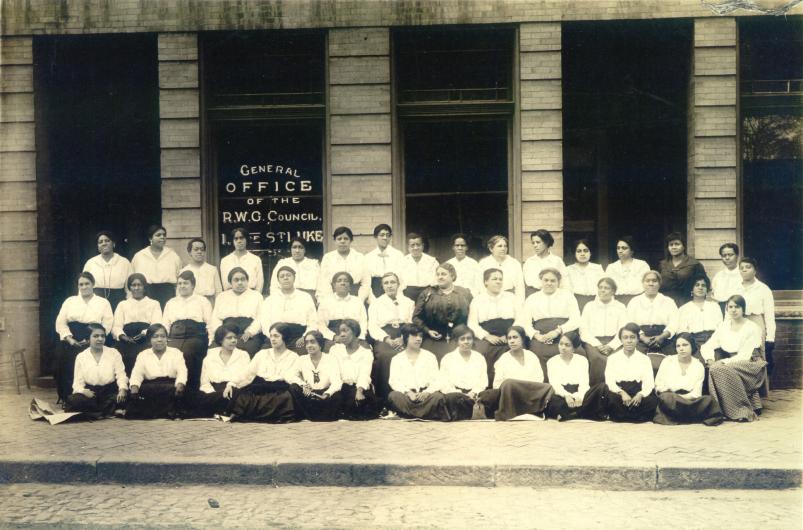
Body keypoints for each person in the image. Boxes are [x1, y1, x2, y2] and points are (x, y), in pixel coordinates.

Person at [701, 295, 767, 421]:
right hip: (732, 362)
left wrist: (723, 362)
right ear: (726, 309)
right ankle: (726, 409)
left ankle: (739, 410)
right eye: (730, 307)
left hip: (751, 363)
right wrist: (710, 359)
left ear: (743, 309)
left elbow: (745, 355)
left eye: (737, 307)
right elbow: (707, 345)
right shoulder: (723, 326)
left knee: (717, 369)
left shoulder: (752, 327)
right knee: (716, 368)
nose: (733, 310)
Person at [54, 272, 114, 402]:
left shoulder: (103, 303)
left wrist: (92, 340)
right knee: (63, 361)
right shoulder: (70, 301)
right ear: (78, 286)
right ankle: (68, 397)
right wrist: (70, 339)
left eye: (87, 283)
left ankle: (91, 396)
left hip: (94, 339)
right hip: (72, 339)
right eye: (81, 284)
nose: (84, 287)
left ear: (93, 284)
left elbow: (107, 324)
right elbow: (60, 322)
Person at [227, 322, 299, 423]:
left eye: (276, 336)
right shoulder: (262, 353)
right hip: (259, 387)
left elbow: (291, 376)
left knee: (285, 398)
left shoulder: (293, 356)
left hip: (279, 389)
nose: (272, 339)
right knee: (243, 396)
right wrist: (232, 383)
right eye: (271, 336)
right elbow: (248, 372)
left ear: (285, 337)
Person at [518, 267, 583, 378]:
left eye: (553, 281)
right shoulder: (532, 298)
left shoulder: (568, 296)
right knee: (537, 354)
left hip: (564, 333)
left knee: (578, 353)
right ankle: (545, 388)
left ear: (558, 282)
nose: (549, 283)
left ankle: (569, 386)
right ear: (541, 281)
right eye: (546, 280)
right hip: (541, 335)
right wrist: (536, 335)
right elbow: (525, 322)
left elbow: (576, 319)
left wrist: (558, 331)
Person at [478, 326, 553, 421]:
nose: (512, 341)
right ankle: (513, 412)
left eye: (515, 337)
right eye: (509, 338)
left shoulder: (531, 356)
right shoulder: (503, 359)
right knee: (508, 383)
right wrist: (517, 387)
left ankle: (535, 411)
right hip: (512, 396)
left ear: (522, 339)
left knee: (548, 387)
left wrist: (523, 387)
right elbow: (497, 385)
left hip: (531, 394)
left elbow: (539, 379)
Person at [653, 333, 724, 426]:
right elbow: (658, 386)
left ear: (692, 346)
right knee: (666, 398)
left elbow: (696, 393)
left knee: (709, 400)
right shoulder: (668, 361)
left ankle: (679, 416)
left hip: (689, 400)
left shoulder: (698, 365)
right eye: (678, 346)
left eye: (685, 345)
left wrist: (681, 399)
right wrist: (672, 394)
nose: (681, 348)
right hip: (671, 397)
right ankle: (689, 416)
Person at [368, 272, 415, 403]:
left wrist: (403, 338)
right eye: (386, 283)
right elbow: (372, 326)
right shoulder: (376, 303)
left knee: (409, 355)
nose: (390, 286)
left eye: (393, 282)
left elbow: (411, 322)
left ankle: (407, 397)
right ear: (382, 286)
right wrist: (387, 339)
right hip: (384, 337)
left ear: (399, 284)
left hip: (405, 334)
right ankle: (385, 399)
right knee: (385, 356)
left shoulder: (408, 302)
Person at [387, 324, 450, 420]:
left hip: (425, 397)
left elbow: (437, 380)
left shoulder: (430, 356)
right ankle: (424, 414)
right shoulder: (397, 359)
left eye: (420, 336)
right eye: (414, 336)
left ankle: (408, 414)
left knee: (438, 397)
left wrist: (426, 392)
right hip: (407, 397)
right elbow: (394, 381)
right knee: (393, 396)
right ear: (405, 337)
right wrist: (408, 393)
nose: (418, 339)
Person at [162, 270, 213, 391]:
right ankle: (172, 394)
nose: (182, 286)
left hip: (195, 336)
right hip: (175, 336)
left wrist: (211, 341)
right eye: (179, 283)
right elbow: (165, 324)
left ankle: (189, 394)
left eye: (185, 283)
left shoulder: (202, 301)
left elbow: (210, 323)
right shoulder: (171, 302)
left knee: (187, 354)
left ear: (193, 285)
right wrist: (165, 339)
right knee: (169, 354)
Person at [65, 323, 128, 419]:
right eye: (95, 336)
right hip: (91, 394)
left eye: (102, 336)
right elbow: (77, 384)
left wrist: (122, 390)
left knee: (128, 397)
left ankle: (95, 413)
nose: (100, 339)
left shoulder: (114, 353)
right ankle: (108, 411)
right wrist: (83, 391)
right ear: (88, 339)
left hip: (110, 392)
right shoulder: (81, 357)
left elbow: (121, 375)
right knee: (73, 400)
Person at [187, 324, 251, 418]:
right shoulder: (210, 357)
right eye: (229, 338)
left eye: (235, 337)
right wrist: (213, 394)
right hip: (214, 392)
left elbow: (246, 377)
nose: (233, 340)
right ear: (221, 340)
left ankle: (221, 410)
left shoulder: (243, 355)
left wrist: (231, 385)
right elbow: (204, 382)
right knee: (196, 397)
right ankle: (224, 409)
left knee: (238, 397)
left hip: (234, 390)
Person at [468, 268, 519, 387]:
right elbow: (472, 323)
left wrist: (510, 335)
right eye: (494, 279)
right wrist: (487, 336)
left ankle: (511, 388)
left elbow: (520, 318)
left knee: (515, 351)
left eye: (500, 279)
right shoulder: (478, 300)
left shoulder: (511, 297)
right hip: (488, 336)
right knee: (483, 352)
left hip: (509, 334)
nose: (498, 282)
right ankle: (489, 388)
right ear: (485, 282)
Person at [126, 323, 188, 419]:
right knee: (135, 400)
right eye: (155, 337)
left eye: (162, 336)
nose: (159, 339)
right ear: (149, 340)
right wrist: (134, 388)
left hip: (170, 387)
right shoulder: (143, 355)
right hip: (150, 388)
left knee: (181, 395)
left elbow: (182, 372)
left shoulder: (176, 353)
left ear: (167, 338)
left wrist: (180, 384)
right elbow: (136, 374)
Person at [412, 263, 472, 361]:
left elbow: (471, 315)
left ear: (452, 276)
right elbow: (416, 317)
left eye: (443, 274)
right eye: (438, 274)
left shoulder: (464, 293)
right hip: (432, 337)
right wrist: (427, 330)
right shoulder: (427, 293)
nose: (440, 277)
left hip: (457, 338)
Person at [545, 331, 608, 421]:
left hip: (580, 394)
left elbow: (584, 383)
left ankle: (571, 414)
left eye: (567, 345)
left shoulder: (582, 360)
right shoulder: (552, 362)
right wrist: (567, 396)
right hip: (562, 395)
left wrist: (580, 397)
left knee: (602, 387)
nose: (563, 347)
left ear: (574, 348)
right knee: (553, 400)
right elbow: (555, 384)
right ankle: (583, 413)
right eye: (561, 344)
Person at [603, 323, 659, 423]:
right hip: (620, 392)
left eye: (632, 337)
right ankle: (628, 415)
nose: (629, 341)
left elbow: (649, 383)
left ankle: (626, 415)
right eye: (625, 337)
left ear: (638, 339)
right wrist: (622, 393)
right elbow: (610, 381)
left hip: (637, 391)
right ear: (621, 340)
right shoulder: (612, 358)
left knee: (652, 401)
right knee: (610, 398)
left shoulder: (644, 359)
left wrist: (640, 395)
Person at [626, 270, 678, 372]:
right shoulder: (634, 302)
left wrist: (662, 337)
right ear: (643, 283)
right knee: (636, 363)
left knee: (670, 364)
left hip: (664, 339)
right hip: (640, 338)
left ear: (659, 283)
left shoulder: (668, 301)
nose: (651, 283)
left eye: (654, 281)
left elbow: (674, 323)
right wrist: (643, 337)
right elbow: (630, 323)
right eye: (647, 281)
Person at [580, 277, 628, 385]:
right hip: (593, 342)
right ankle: (597, 391)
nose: (602, 290)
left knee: (616, 359)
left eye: (606, 288)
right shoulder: (589, 306)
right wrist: (597, 344)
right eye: (600, 287)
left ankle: (615, 391)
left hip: (615, 342)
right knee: (597, 359)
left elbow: (623, 329)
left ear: (613, 291)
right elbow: (583, 330)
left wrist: (612, 345)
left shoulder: (620, 307)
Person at [260, 265, 318, 355]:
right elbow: (265, 322)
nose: (285, 278)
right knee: (265, 355)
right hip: (276, 335)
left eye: (288, 275)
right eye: (282, 276)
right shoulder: (270, 299)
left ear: (294, 278)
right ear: (278, 280)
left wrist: (305, 336)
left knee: (302, 353)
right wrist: (274, 337)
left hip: (298, 336)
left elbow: (313, 321)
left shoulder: (305, 297)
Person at [112, 273, 162, 375]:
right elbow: (116, 326)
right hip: (127, 339)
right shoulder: (122, 304)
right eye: (133, 285)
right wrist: (122, 336)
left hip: (146, 338)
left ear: (144, 287)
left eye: (139, 285)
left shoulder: (154, 303)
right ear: (129, 288)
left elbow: (156, 323)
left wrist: (145, 334)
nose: (136, 288)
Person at [288, 330, 344, 421]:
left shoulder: (331, 359)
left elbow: (337, 381)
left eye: (313, 342)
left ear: (320, 344)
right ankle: (310, 415)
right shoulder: (302, 359)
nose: (309, 345)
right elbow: (291, 376)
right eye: (307, 343)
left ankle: (317, 417)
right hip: (309, 394)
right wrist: (303, 385)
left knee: (337, 395)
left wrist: (327, 393)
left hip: (325, 395)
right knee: (293, 387)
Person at [329, 319, 379, 420]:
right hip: (340, 387)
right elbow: (334, 375)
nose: (342, 334)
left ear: (355, 332)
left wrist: (359, 391)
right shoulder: (335, 350)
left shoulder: (366, 353)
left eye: (345, 331)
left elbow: (364, 375)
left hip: (359, 388)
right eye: (340, 332)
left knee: (362, 405)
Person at [210, 267, 264, 357]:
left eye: (243, 279)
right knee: (214, 351)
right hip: (226, 331)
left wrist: (251, 332)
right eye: (236, 280)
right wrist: (221, 334)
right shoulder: (222, 296)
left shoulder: (256, 296)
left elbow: (261, 317)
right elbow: (216, 318)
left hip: (247, 332)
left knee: (247, 350)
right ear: (230, 282)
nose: (240, 283)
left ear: (247, 281)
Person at [438, 325, 488, 421]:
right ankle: (468, 412)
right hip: (455, 394)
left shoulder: (479, 358)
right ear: (457, 341)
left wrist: (474, 392)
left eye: (469, 338)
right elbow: (444, 382)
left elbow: (483, 380)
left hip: (475, 394)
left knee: (489, 396)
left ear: (473, 340)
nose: (466, 342)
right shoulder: (448, 358)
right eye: (462, 339)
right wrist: (460, 393)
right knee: (452, 398)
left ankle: (469, 411)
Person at [736, 257, 776, 375]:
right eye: (741, 268)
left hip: (757, 324)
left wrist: (770, 338)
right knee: (740, 355)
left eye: (748, 267)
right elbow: (729, 310)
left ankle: (761, 389)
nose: (744, 270)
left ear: (755, 270)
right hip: (739, 324)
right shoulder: (736, 288)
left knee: (758, 355)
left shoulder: (763, 289)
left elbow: (769, 315)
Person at [131, 225, 183, 310]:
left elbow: (179, 276)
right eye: (158, 235)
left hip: (167, 294)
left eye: (164, 235)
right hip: (147, 293)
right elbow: (133, 277)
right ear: (150, 238)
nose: (162, 237)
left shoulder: (173, 255)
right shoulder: (139, 256)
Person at [317, 271, 368, 351]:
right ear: (334, 285)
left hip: (354, 335)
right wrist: (334, 337)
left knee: (364, 351)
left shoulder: (357, 301)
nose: (343, 283)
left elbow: (363, 322)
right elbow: (321, 325)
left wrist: (359, 337)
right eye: (339, 281)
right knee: (332, 352)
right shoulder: (325, 302)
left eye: (346, 281)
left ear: (350, 286)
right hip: (334, 335)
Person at [82, 230, 131, 311]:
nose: (104, 243)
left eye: (107, 241)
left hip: (118, 304)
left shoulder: (124, 262)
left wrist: (128, 305)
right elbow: (83, 285)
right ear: (98, 246)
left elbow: (129, 288)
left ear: (113, 244)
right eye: (100, 242)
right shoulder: (90, 263)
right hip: (95, 304)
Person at [317, 226, 368, 302]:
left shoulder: (360, 257)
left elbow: (366, 282)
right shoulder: (328, 258)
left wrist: (359, 300)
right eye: (339, 239)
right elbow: (324, 282)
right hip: (333, 295)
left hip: (355, 295)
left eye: (346, 238)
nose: (342, 241)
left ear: (351, 240)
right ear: (335, 241)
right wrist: (331, 300)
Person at [658, 231, 707, 308]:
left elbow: (704, 285)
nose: (674, 247)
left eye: (677, 244)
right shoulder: (662, 264)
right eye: (671, 245)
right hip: (666, 304)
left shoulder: (694, 264)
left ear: (684, 246)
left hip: (687, 303)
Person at [676, 275, 723, 355]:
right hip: (694, 342)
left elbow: (721, 327)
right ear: (692, 289)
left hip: (713, 341)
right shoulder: (684, 309)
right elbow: (682, 331)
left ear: (707, 289)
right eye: (697, 285)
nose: (700, 288)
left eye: (703, 285)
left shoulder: (715, 306)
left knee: (717, 364)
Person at [478, 235, 525, 305]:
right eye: (500, 246)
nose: (503, 248)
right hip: (489, 300)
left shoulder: (514, 263)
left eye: (505, 246)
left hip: (509, 300)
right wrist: (486, 302)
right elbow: (480, 285)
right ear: (491, 249)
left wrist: (519, 303)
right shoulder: (484, 263)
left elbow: (520, 287)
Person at [604, 236, 650, 306]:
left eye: (624, 248)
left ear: (632, 250)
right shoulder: (611, 267)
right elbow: (607, 287)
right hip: (616, 302)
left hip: (638, 302)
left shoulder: (642, 265)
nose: (620, 250)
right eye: (618, 248)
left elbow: (647, 286)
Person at [363, 224, 404, 302]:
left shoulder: (398, 255)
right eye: (382, 235)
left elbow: (401, 278)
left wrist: (398, 296)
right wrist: (371, 298)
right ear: (375, 237)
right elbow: (367, 281)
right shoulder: (368, 257)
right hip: (375, 291)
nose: (385, 238)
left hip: (393, 290)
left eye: (388, 235)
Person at [522, 229, 567, 298]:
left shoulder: (556, 261)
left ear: (546, 242)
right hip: (533, 296)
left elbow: (564, 283)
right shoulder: (529, 262)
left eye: (538, 242)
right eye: (533, 243)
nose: (535, 245)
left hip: (553, 296)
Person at [220, 227, 264, 294]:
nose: (239, 241)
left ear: (246, 240)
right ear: (233, 241)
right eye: (236, 239)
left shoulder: (255, 259)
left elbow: (259, 283)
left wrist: (256, 298)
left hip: (251, 296)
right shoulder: (225, 261)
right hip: (231, 296)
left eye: (242, 238)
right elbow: (225, 284)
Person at [565, 239, 604, 312]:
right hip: (576, 303)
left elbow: (602, 287)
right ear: (574, 253)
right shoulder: (569, 270)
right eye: (579, 251)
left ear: (590, 253)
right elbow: (567, 290)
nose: (582, 254)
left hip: (595, 302)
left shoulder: (597, 268)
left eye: (585, 251)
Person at [399, 232, 438, 304]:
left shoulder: (432, 261)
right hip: (408, 294)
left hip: (427, 294)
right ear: (408, 247)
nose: (415, 248)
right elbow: (400, 281)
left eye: (418, 245)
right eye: (412, 245)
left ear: (422, 246)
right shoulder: (402, 262)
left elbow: (435, 282)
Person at [180, 238, 223, 305]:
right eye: (196, 249)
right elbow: (180, 293)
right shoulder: (184, 270)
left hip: (209, 303)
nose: (199, 252)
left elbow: (218, 292)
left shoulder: (212, 269)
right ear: (190, 252)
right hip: (191, 304)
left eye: (202, 249)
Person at [446, 233, 483, 297]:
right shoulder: (448, 264)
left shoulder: (474, 264)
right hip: (452, 297)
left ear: (467, 247)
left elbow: (478, 284)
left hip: (470, 296)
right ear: (453, 247)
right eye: (457, 245)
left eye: (462, 245)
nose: (460, 248)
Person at [711, 243, 741, 313]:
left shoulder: (743, 274)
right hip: (720, 311)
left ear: (737, 256)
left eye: (730, 255)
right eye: (724, 255)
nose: (727, 258)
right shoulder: (718, 276)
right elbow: (714, 296)